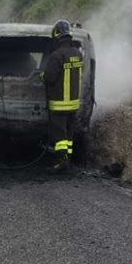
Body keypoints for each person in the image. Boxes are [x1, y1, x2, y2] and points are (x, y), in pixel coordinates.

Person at [41, 19, 84, 170]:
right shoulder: (77, 54)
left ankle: (61, 161)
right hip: (73, 103)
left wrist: (41, 76)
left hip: (59, 104)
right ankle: (68, 159)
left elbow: (49, 78)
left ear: (57, 35)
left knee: (59, 136)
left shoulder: (57, 55)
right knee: (69, 134)